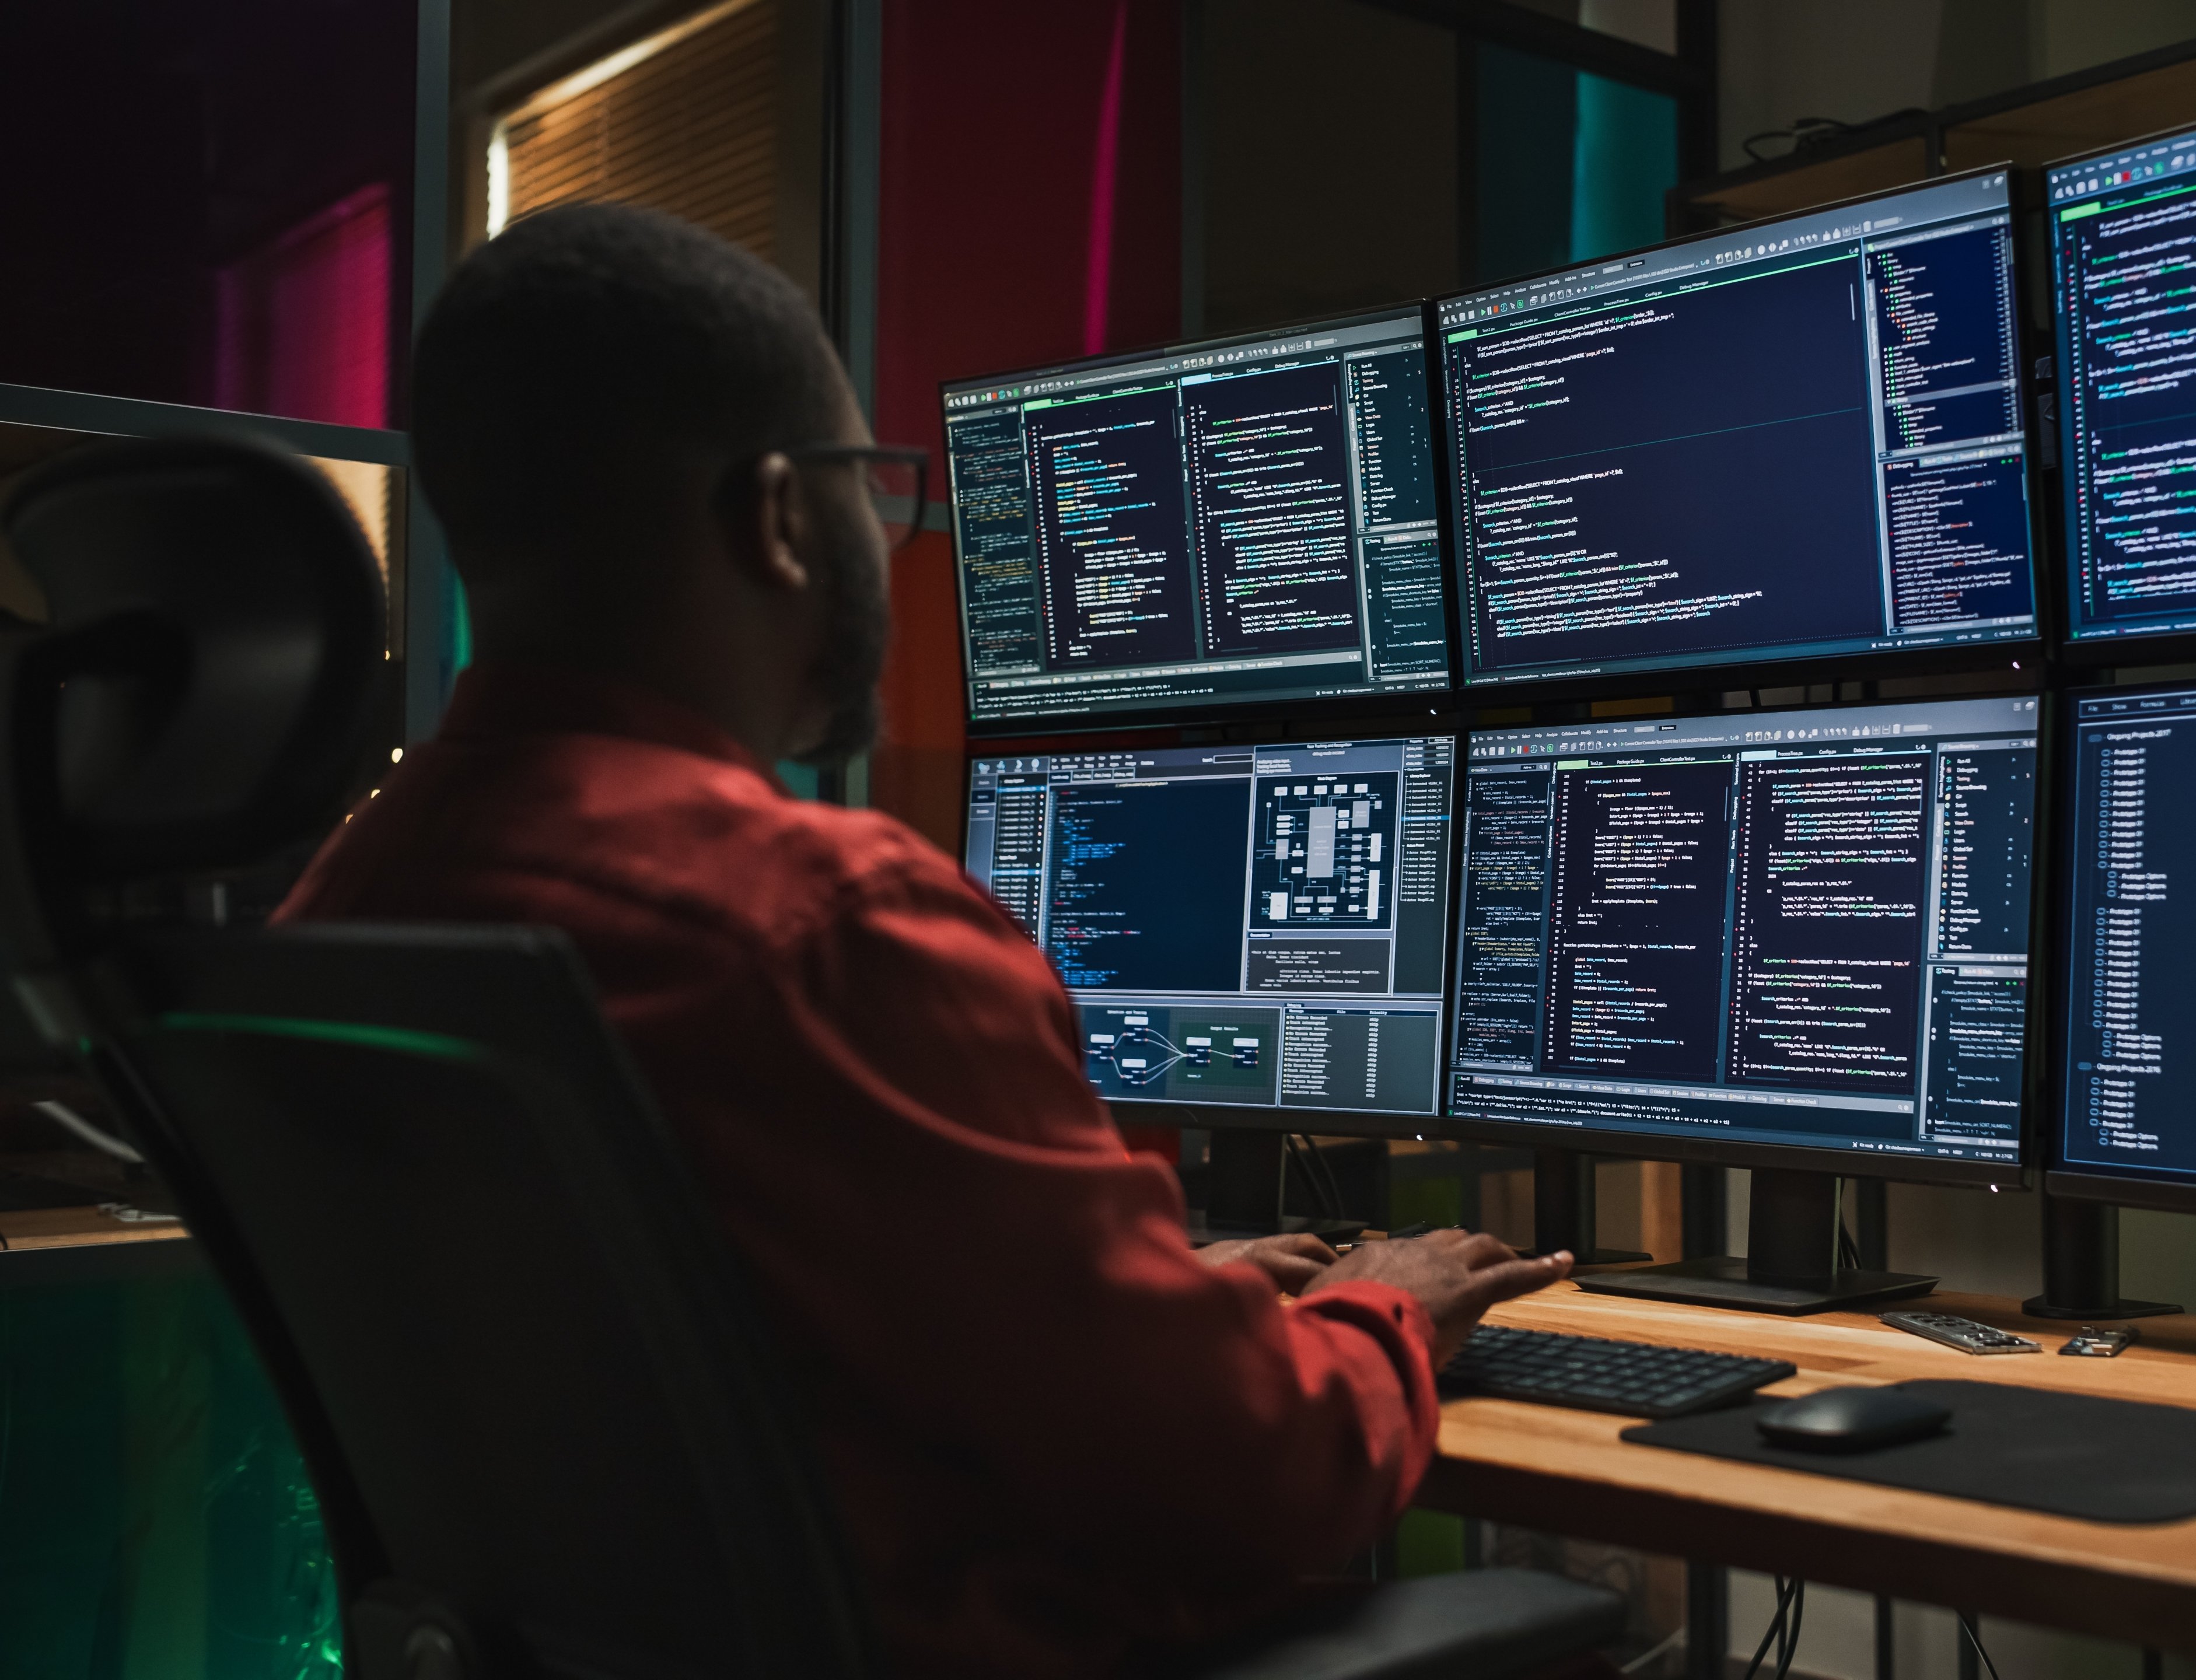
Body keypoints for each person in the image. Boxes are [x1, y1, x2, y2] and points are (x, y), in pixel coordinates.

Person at [276, 204, 1574, 1678]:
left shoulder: (347, 905)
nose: (878, 537)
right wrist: (1381, 1312)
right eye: (862, 487)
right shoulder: (816, 924)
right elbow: (1242, 1483)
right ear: (776, 514)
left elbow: (765, 1352)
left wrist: (1173, 1309)